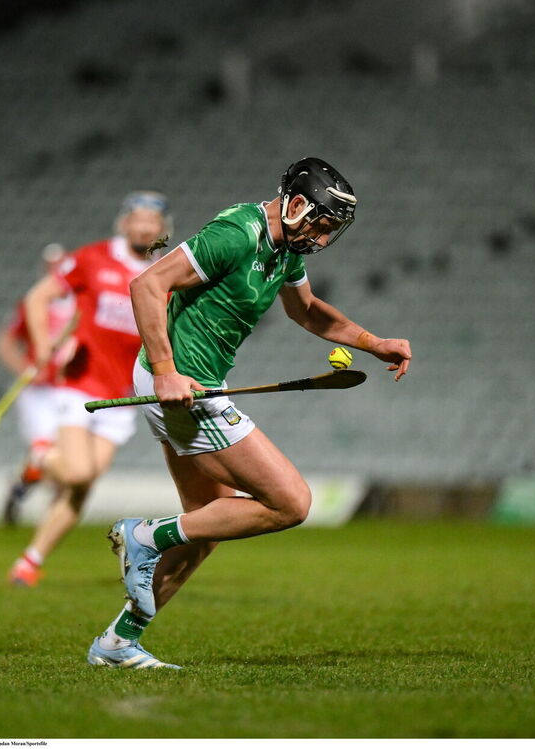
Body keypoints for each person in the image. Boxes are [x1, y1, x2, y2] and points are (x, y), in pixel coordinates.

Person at [87, 158, 412, 669]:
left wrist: (374, 343)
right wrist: (168, 371)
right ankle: (142, 536)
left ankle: (117, 643)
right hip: (181, 384)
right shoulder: (237, 232)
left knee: (207, 527)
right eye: (321, 225)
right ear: (297, 203)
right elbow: (147, 285)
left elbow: (306, 310)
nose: (323, 239)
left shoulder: (286, 249)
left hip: (192, 384)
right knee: (291, 502)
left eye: (332, 231)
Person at [6, 192, 171, 587]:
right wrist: (44, 345)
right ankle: (41, 457)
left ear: (163, 228)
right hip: (81, 385)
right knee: (77, 472)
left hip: (123, 396)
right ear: (123, 223)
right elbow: (37, 297)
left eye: (153, 220)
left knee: (83, 485)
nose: (145, 226)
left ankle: (30, 561)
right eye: (138, 218)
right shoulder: (93, 258)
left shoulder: (164, 274)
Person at [0, 243, 77, 526]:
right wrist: (24, 368)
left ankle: (49, 516)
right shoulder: (33, 303)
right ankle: (24, 491)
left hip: (69, 390)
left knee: (65, 457)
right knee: (45, 454)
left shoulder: (81, 305)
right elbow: (5, 342)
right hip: (38, 392)